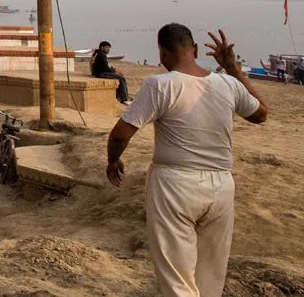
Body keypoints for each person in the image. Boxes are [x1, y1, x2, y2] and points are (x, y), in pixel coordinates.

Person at [106, 24, 268, 297]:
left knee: (177, 279)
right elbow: (261, 113)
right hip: (221, 186)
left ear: (162, 53)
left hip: (175, 184)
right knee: (210, 276)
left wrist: (113, 160)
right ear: (194, 49)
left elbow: (121, 134)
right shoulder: (228, 84)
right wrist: (233, 68)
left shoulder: (160, 85)